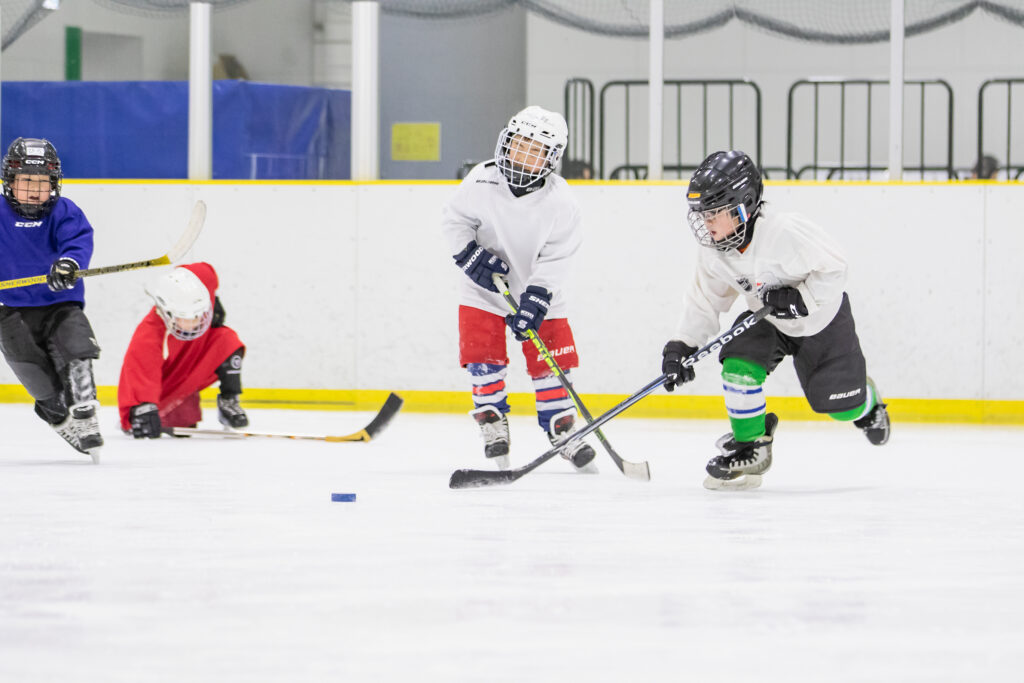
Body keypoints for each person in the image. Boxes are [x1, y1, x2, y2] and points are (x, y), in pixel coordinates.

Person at [661, 150, 890, 490]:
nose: (706, 223)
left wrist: (802, 299)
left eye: (714, 213)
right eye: (702, 214)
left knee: (842, 407)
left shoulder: (785, 232)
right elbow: (705, 301)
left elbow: (836, 268)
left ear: (745, 205)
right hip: (769, 321)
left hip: (821, 321)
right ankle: (753, 445)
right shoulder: (714, 251)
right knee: (738, 364)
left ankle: (869, 406)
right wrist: (682, 345)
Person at [441, 105, 596, 471]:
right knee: (483, 357)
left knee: (552, 363)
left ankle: (562, 427)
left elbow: (558, 256)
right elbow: (454, 221)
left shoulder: (561, 202)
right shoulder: (481, 180)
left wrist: (538, 295)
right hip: (484, 291)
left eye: (534, 149)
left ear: (551, 158)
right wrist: (467, 255)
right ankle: (492, 422)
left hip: (539, 294)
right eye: (518, 143)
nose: (522, 154)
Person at [0, 137, 103, 462]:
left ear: (54, 185)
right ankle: (58, 415)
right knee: (38, 378)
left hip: (59, 303)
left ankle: (85, 412)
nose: (34, 190)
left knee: (77, 350)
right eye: (26, 181)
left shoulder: (64, 211)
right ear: (9, 181)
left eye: (42, 183)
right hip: (9, 310)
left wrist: (69, 264)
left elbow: (77, 242)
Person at [118, 262, 248, 438]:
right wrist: (143, 406)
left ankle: (229, 400)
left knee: (228, 339)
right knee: (168, 419)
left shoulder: (204, 303)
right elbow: (140, 370)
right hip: (161, 392)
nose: (190, 325)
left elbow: (205, 276)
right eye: (182, 317)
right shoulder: (151, 330)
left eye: (196, 316)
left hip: (187, 376)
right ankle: (150, 409)